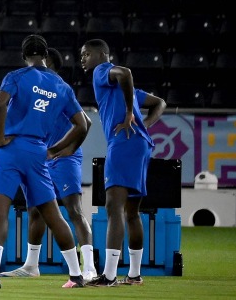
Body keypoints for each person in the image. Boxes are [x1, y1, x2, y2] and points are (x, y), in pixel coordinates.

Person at [0, 35, 90, 289]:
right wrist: (56, 148)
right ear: (45, 55)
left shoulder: (17, 76)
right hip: (39, 151)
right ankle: (76, 275)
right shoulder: (62, 86)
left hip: (11, 148)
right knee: (53, 214)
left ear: (24, 56)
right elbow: (82, 124)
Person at [0, 47, 96, 281]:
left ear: (49, 63)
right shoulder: (38, 88)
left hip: (62, 157)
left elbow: (86, 122)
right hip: (43, 156)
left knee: (74, 209)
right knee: (35, 210)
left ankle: (90, 268)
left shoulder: (59, 87)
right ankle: (32, 265)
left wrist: (66, 150)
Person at [79, 38, 166, 287]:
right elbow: (160, 102)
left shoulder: (101, 71)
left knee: (113, 207)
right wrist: (144, 126)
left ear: (102, 55)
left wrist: (129, 113)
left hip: (123, 142)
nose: (83, 58)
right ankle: (135, 274)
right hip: (140, 144)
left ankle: (108, 276)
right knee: (131, 212)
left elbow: (125, 72)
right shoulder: (120, 88)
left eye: (86, 54)